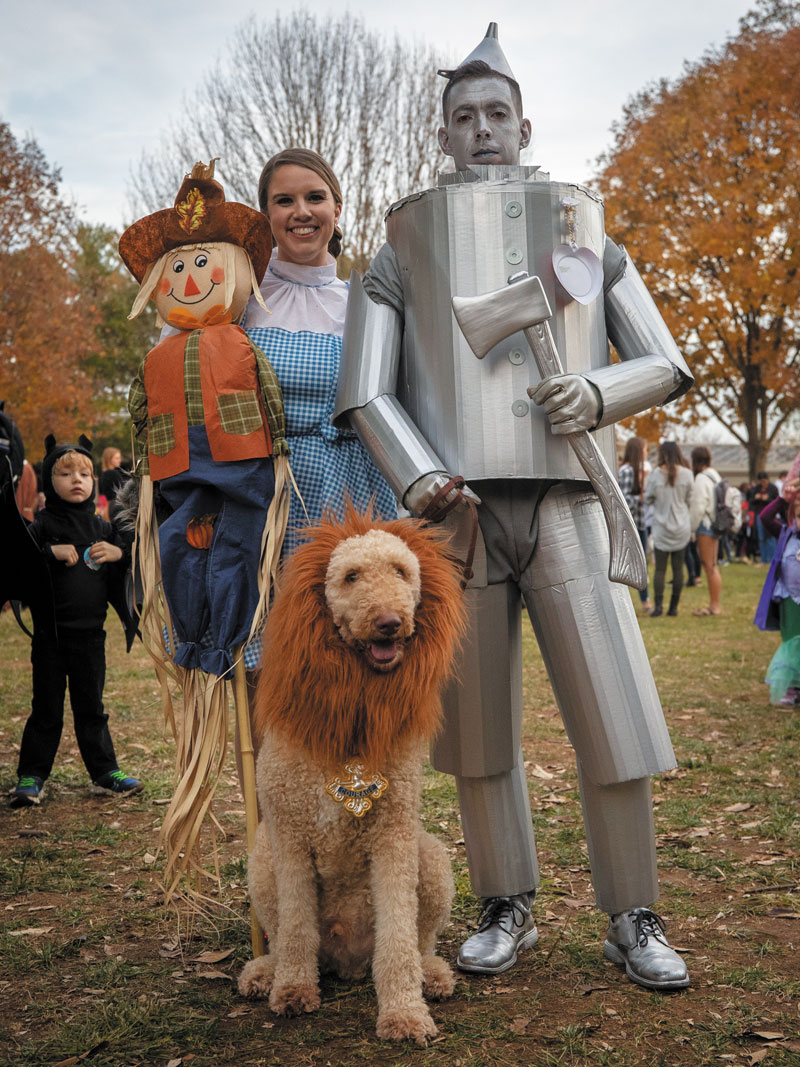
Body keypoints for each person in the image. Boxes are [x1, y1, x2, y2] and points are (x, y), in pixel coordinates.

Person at [336, 25, 692, 990]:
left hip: (571, 499)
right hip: (458, 518)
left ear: (524, 124)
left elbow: (664, 357)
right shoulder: (401, 243)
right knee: (476, 730)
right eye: (464, 116)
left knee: (613, 717)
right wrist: (421, 476)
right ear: (442, 132)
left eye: (497, 113)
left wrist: (600, 394)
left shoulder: (584, 230)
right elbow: (365, 387)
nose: (482, 128)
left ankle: (632, 913)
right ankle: (507, 902)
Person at [243, 147, 396, 576]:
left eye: (315, 197)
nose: (301, 212)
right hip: (266, 502)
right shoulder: (239, 298)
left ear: (337, 208)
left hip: (360, 499)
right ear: (266, 215)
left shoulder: (366, 304)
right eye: (284, 201)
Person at [10, 436, 139, 808]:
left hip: (90, 638)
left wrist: (119, 552)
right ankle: (32, 775)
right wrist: (48, 552)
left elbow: (136, 553)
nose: (77, 480)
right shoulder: (40, 527)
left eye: (84, 473)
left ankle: (104, 772)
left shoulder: (102, 529)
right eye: (65, 473)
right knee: (46, 709)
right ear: (51, 481)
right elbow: (19, 562)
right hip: (50, 638)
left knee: (92, 708)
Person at [754, 472, 800, 705]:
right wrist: (784, 499)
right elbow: (765, 516)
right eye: (799, 516)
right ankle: (792, 687)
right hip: (789, 599)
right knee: (792, 640)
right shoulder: (785, 533)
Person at [643, 442, 693, 617]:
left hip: (661, 527)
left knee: (660, 569)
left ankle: (658, 607)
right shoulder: (687, 474)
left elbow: (647, 498)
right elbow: (690, 499)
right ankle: (673, 607)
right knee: (678, 568)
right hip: (681, 527)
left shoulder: (655, 475)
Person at [617, 436, 653, 614]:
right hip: (629, 525)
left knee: (642, 564)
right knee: (628, 564)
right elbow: (622, 501)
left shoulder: (641, 471)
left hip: (641, 523)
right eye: (645, 449)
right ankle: (628, 602)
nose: (647, 453)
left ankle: (645, 599)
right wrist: (639, 498)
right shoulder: (626, 471)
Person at [689, 446, 723, 616]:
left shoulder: (701, 479)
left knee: (709, 566)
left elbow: (697, 506)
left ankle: (714, 606)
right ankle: (714, 604)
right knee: (713, 564)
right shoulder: (715, 475)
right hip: (716, 523)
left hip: (705, 524)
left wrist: (692, 528)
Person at [748, 472, 779, 566]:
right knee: (762, 538)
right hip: (759, 515)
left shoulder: (773, 488)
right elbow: (751, 502)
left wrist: (767, 499)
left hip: (770, 515)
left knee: (770, 537)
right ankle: (764, 559)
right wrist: (756, 498)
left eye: (764, 481)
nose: (763, 483)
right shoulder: (756, 489)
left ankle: (772, 559)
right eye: (761, 481)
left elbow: (776, 502)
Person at [98, 447, 127, 520]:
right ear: (109, 459)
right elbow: (124, 490)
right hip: (116, 506)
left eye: (120, 458)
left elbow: (101, 495)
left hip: (106, 507)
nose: (120, 460)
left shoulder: (103, 474)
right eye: (117, 458)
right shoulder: (113, 473)